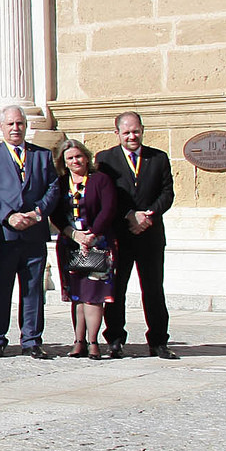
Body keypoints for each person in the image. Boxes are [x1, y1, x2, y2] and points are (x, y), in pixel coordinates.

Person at [96, 111, 177, 359]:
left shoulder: (158, 158)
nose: (132, 136)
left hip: (150, 235)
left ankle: (158, 341)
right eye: (127, 132)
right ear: (117, 133)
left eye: (136, 131)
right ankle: (115, 339)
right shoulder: (105, 160)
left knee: (153, 289)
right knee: (117, 289)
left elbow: (167, 193)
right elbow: (107, 196)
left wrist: (148, 214)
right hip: (121, 234)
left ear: (142, 130)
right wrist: (130, 215)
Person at [0, 105, 55, 360]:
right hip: (2, 234)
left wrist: (36, 213)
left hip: (33, 233)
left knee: (33, 289)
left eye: (20, 123)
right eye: (10, 124)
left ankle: (32, 339)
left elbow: (53, 187)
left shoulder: (42, 156)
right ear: (2, 127)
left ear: (26, 125)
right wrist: (9, 216)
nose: (15, 128)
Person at [49, 139, 118, 359]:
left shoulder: (101, 180)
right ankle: (78, 341)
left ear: (86, 157)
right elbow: (56, 213)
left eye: (78, 156)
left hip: (97, 244)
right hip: (71, 244)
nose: (75, 161)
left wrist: (91, 235)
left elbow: (109, 209)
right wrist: (74, 234)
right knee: (77, 295)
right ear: (64, 162)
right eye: (70, 158)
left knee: (93, 296)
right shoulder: (60, 183)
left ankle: (94, 341)